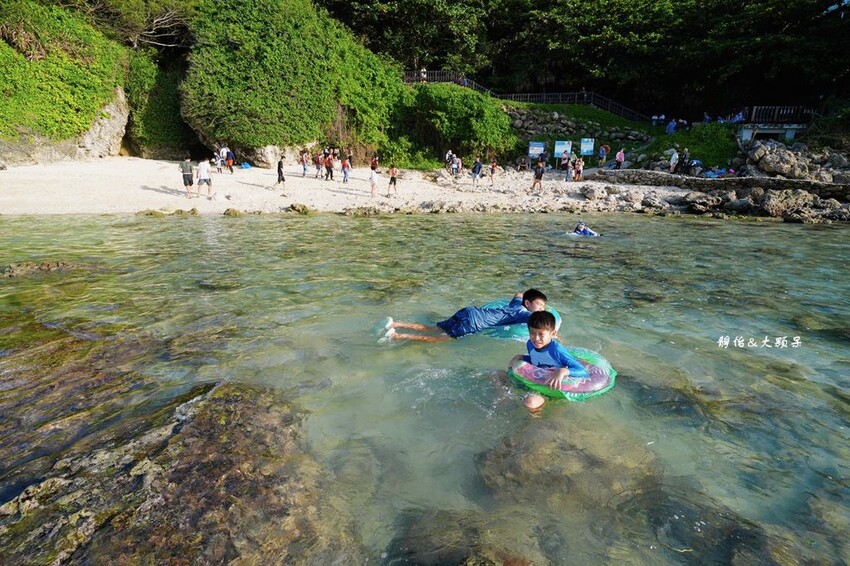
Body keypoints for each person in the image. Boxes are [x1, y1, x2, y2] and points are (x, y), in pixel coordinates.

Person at [381, 289, 548, 343]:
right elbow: (541, 325)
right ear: (528, 304)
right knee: (439, 340)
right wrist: (555, 335)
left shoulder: (515, 305)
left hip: (470, 311)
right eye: (540, 305)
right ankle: (396, 336)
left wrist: (529, 297)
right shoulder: (525, 314)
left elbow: (520, 292)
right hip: (473, 324)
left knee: (434, 328)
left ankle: (395, 323)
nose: (541, 309)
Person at [508, 310, 589, 410]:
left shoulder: (557, 350)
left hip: (550, 389)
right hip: (535, 380)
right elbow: (536, 359)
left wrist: (562, 371)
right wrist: (521, 357)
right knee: (496, 375)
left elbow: (584, 372)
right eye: (532, 333)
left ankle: (538, 421)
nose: (536, 338)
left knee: (530, 402)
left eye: (541, 334)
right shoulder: (530, 344)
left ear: (553, 333)